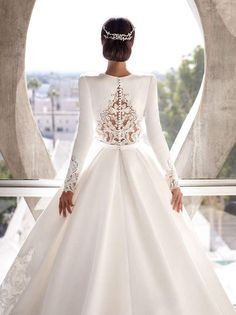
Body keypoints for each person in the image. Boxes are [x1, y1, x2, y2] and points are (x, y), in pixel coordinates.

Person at [0, 17, 235, 315]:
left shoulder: (87, 82)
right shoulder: (147, 81)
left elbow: (83, 137)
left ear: (103, 42)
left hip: (101, 167)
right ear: (132, 44)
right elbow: (156, 135)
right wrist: (172, 181)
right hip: (142, 167)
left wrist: (70, 187)